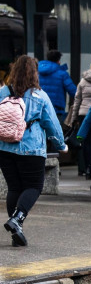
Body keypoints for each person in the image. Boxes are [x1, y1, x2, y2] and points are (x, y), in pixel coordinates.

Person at [0, 55, 67, 247]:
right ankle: (18, 219)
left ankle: (16, 232)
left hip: (4, 148)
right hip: (31, 149)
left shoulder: (3, 92)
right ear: (34, 73)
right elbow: (52, 125)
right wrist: (61, 145)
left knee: (14, 188)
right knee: (34, 187)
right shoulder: (39, 95)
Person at [64, 59, 91, 179]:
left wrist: (74, 118)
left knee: (86, 142)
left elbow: (77, 101)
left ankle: (89, 168)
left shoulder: (83, 81)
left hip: (84, 114)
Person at [37, 50, 77, 124]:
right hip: (56, 109)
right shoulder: (62, 74)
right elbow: (73, 92)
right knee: (55, 133)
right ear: (58, 60)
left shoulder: (37, 72)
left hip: (39, 108)